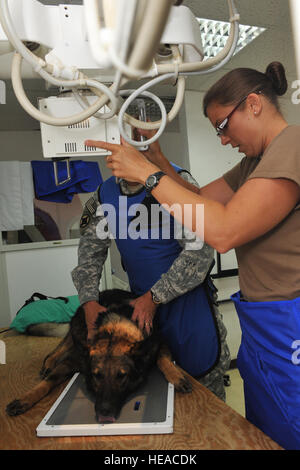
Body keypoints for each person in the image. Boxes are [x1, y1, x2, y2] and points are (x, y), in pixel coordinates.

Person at [85, 61, 300, 450]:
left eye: (223, 127)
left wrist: (148, 177)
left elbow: (222, 231)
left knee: (292, 428)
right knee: (263, 430)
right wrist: (157, 160)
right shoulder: (256, 161)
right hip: (261, 319)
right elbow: (200, 199)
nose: (222, 140)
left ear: (253, 104)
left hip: (291, 321)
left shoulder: (294, 147)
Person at [71, 138, 231, 401]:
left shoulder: (175, 181)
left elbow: (199, 253)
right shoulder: (105, 195)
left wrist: (154, 297)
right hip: (140, 313)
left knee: (204, 396)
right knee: (154, 395)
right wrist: (88, 300)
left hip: (189, 312)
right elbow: (89, 252)